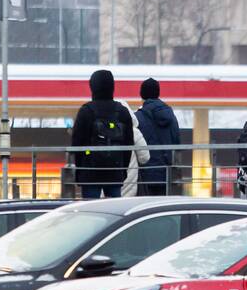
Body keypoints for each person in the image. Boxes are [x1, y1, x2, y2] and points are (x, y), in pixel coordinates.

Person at [71, 69, 134, 199]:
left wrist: (80, 171)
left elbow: (76, 144)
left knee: (90, 211)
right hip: (114, 172)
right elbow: (129, 145)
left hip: (90, 173)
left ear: (92, 87)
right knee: (115, 211)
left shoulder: (86, 111)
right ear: (112, 86)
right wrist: (122, 172)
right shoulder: (122, 112)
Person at [135, 78, 180, 195]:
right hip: (167, 172)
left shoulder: (138, 117)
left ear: (142, 95)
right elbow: (177, 142)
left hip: (146, 174)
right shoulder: (170, 115)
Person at [118, 100, 150, 197]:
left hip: (105, 185)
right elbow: (145, 158)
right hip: (129, 186)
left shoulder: (101, 131)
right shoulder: (134, 132)